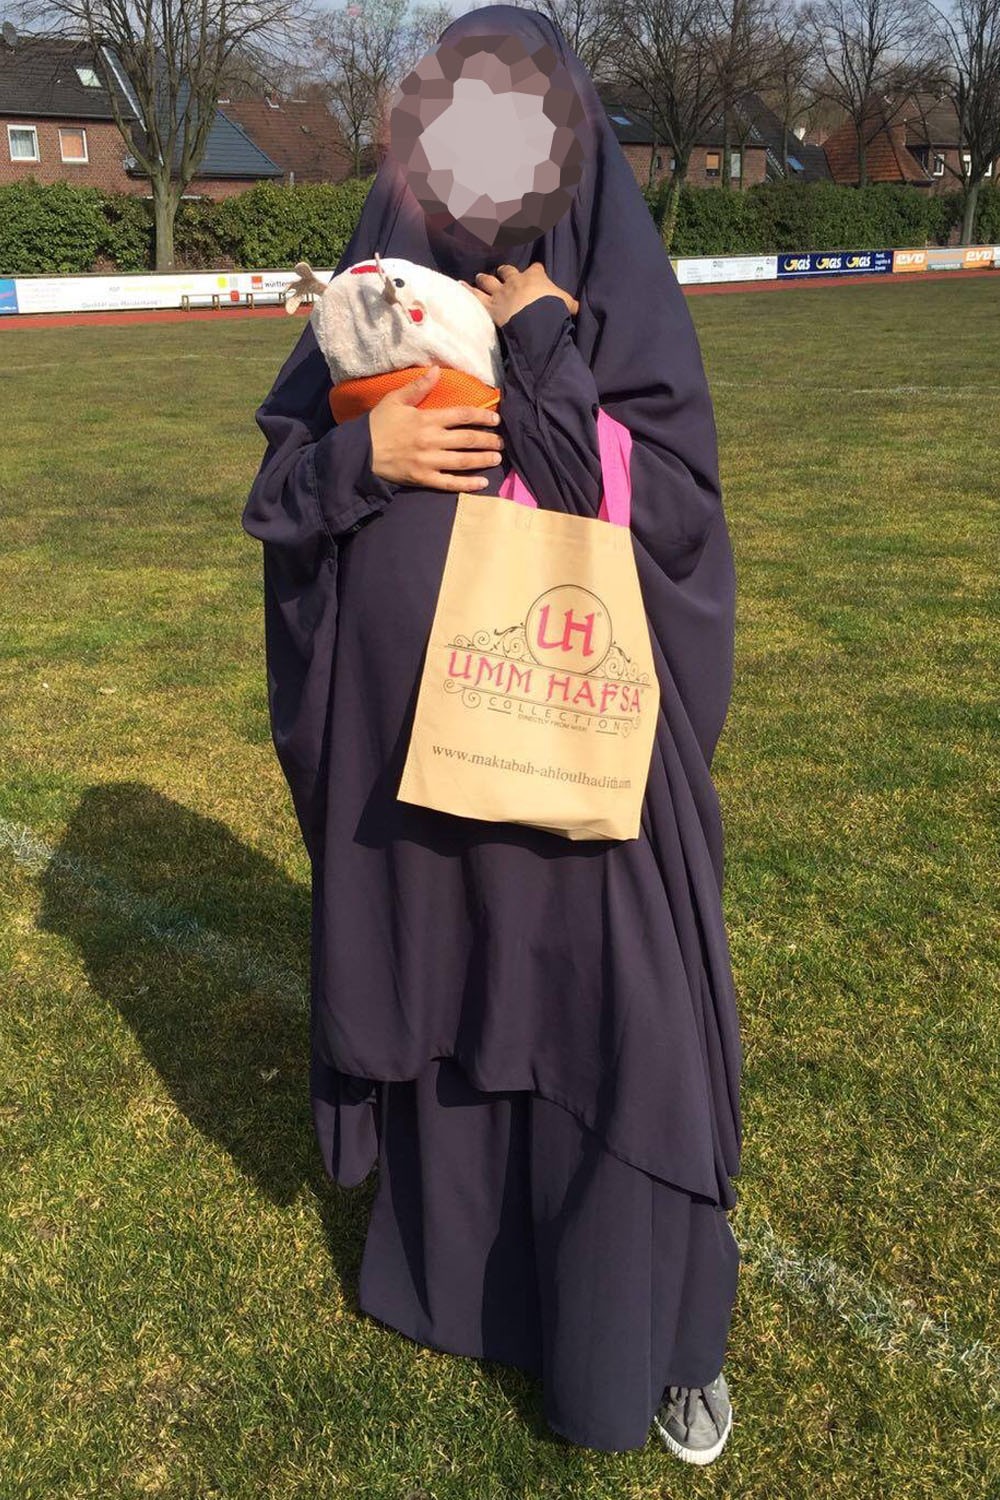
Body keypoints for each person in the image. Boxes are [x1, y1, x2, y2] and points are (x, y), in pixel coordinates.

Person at [241, 3, 742, 1465]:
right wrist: (367, 453)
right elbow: (279, 495)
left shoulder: (606, 286)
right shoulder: (381, 274)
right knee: (454, 999)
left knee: (620, 1017)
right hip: (422, 765)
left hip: (575, 747)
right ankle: (456, 1293)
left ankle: (643, 1336)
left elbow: (671, 518)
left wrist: (543, 352)